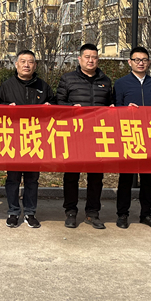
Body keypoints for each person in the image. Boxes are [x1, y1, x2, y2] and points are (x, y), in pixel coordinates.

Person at [55, 43, 113, 229]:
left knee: (96, 177)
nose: (91, 60)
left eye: (94, 57)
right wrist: (71, 108)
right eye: (87, 57)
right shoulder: (68, 79)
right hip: (75, 135)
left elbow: (111, 105)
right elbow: (58, 103)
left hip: (98, 136)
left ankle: (93, 213)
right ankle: (70, 211)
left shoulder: (106, 81)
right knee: (71, 176)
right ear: (79, 59)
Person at [0, 50, 55, 229]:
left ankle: (30, 212)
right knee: (13, 178)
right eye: (23, 61)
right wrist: (7, 107)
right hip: (13, 138)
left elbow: (55, 106)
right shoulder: (7, 85)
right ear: (16, 64)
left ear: (35, 65)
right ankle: (13, 212)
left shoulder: (43, 86)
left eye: (30, 62)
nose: (26, 65)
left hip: (35, 138)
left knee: (32, 178)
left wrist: (50, 107)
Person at [113, 46, 151, 231]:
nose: (140, 63)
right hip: (129, 136)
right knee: (126, 178)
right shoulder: (121, 83)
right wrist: (126, 111)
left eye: (144, 60)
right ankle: (122, 214)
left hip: (149, 137)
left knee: (147, 178)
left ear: (148, 62)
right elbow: (114, 110)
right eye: (137, 60)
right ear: (130, 62)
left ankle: (146, 214)